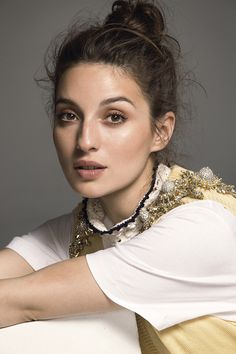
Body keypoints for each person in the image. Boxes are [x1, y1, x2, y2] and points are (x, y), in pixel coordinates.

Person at [0, 0, 236, 353]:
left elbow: (18, 301)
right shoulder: (91, 224)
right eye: (69, 115)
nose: (85, 141)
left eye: (114, 117)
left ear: (160, 131)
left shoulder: (200, 229)